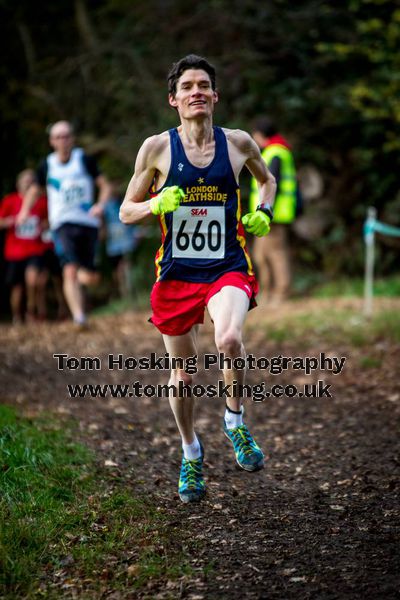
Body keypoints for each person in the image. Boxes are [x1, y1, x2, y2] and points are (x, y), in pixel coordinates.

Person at [120, 55, 276, 503]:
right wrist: (155, 204)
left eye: (204, 85)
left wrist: (263, 211)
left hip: (227, 265)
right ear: (174, 99)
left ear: (215, 95)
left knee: (228, 338)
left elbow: (268, 182)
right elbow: (125, 211)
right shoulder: (156, 149)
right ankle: (190, 451)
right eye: (187, 86)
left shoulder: (238, 143)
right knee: (183, 376)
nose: (196, 92)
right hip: (176, 273)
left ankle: (235, 421)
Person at [16, 121, 112, 327]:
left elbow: (105, 185)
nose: (63, 140)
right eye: (58, 137)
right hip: (61, 223)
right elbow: (34, 190)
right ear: (52, 141)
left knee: (90, 277)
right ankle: (79, 317)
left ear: (72, 138)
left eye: (66, 136)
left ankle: (82, 280)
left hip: (88, 222)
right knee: (69, 269)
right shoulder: (47, 165)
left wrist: (100, 205)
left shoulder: (84, 160)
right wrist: (24, 211)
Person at [249, 116, 299, 305]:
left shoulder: (276, 152)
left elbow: (272, 184)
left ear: (261, 134)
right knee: (261, 255)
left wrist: (266, 211)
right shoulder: (272, 151)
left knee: (276, 254)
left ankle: (282, 293)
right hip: (265, 214)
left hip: (274, 214)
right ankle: (267, 292)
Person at [0, 169, 49, 323]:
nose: (28, 183)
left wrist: (43, 225)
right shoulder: (9, 201)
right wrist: (9, 221)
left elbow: (50, 220)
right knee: (17, 288)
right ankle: (16, 316)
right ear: (18, 184)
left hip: (35, 249)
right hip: (14, 252)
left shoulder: (41, 202)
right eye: (25, 181)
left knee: (33, 280)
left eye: (31, 181)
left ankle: (30, 309)